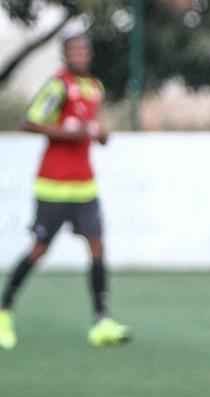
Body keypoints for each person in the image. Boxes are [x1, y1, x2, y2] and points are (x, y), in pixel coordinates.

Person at [0, 30, 129, 351]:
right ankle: (4, 313)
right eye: (74, 51)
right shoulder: (59, 85)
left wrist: (100, 134)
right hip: (54, 184)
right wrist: (65, 133)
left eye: (84, 50)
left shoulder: (94, 87)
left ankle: (101, 321)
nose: (80, 55)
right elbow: (29, 122)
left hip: (84, 185)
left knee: (97, 246)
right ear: (66, 55)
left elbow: (95, 128)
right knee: (39, 249)